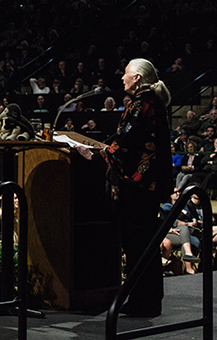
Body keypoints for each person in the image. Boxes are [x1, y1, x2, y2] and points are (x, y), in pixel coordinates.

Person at [77, 58, 172, 317]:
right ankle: (149, 299)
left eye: (127, 74)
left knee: (137, 245)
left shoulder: (141, 103)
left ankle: (143, 302)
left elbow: (126, 142)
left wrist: (96, 155)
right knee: (146, 243)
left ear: (138, 78)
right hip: (150, 185)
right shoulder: (153, 101)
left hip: (138, 186)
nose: (122, 78)